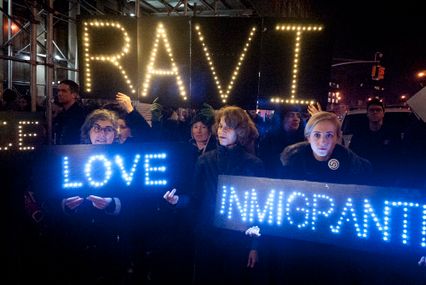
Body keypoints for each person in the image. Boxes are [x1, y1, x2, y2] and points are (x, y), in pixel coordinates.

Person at [164, 105, 265, 285]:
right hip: (207, 236)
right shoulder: (204, 160)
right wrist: (177, 200)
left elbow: (259, 211)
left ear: (240, 131)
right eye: (220, 126)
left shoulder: (254, 164)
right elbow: (196, 198)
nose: (222, 131)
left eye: (228, 127)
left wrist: (255, 246)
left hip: (237, 240)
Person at [58, 109, 128, 284]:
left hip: (114, 241)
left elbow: (139, 200)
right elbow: (53, 195)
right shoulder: (70, 157)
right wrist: (65, 205)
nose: (102, 134)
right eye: (97, 128)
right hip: (78, 240)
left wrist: (112, 204)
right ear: (87, 131)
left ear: (116, 134)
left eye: (108, 129)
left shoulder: (127, 159)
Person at [348, 98, 402, 186]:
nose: (375, 112)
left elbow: (398, 157)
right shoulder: (359, 135)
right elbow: (352, 155)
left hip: (386, 178)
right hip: (365, 177)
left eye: (378, 110)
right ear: (367, 114)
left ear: (383, 113)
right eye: (372, 110)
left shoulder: (393, 134)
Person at [258, 105, 305, 177]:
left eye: (298, 116)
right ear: (281, 118)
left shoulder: (303, 139)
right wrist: (279, 158)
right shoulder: (269, 139)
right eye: (290, 115)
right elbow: (264, 162)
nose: (296, 119)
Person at [53, 79, 88, 144]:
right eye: (59, 91)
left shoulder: (81, 114)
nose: (59, 94)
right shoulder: (61, 113)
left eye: (64, 91)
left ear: (74, 95)